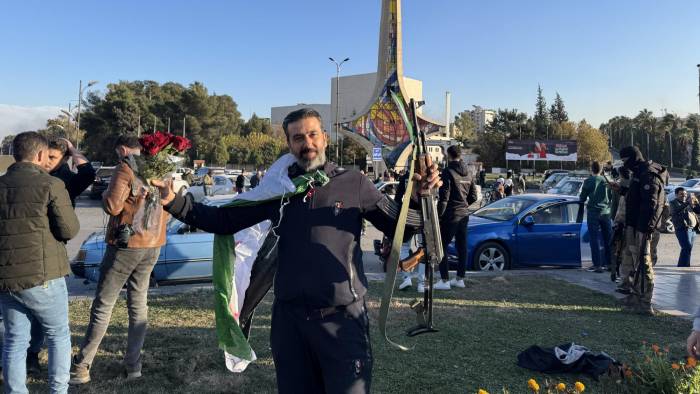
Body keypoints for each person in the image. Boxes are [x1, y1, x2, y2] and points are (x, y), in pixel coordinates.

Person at [152, 108, 440, 393]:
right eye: (298, 137)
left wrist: (417, 198)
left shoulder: (354, 183)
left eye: (313, 134)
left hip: (343, 320)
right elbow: (224, 220)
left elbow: (399, 226)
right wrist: (173, 202)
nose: (308, 143)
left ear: (325, 138)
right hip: (290, 323)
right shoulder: (278, 189)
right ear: (289, 145)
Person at [70, 135, 171, 384]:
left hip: (126, 246)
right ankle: (133, 366)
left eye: (119, 152)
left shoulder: (125, 167)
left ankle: (81, 367)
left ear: (124, 149)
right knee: (138, 305)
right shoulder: (162, 168)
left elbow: (113, 206)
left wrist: (105, 193)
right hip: (153, 244)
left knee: (103, 305)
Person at [0, 131, 80, 393]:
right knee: (58, 335)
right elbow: (69, 229)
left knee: (14, 340)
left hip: (7, 278)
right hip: (43, 276)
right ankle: (58, 390)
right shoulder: (51, 185)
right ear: (40, 155)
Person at [612, 146, 668, 315]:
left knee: (643, 264)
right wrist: (622, 190)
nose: (624, 165)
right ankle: (635, 296)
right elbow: (637, 198)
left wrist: (645, 230)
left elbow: (651, 205)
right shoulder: (639, 172)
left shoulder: (648, 174)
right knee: (632, 262)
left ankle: (645, 302)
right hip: (635, 225)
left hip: (644, 228)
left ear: (633, 158)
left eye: (625, 161)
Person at [434, 145, 479, 290]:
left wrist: (438, 215)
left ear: (449, 155)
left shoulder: (448, 171)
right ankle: (460, 279)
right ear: (461, 155)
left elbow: (444, 198)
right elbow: (474, 196)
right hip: (464, 215)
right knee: (462, 247)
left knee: (441, 247)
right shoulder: (469, 172)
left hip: (451, 215)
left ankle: (445, 280)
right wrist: (464, 205)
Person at [579, 161, 613, 273]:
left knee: (594, 239)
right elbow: (612, 196)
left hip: (593, 212)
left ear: (591, 169)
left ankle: (597, 265)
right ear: (601, 169)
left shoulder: (588, 181)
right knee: (608, 239)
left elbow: (582, 198)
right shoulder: (606, 180)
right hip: (606, 212)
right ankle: (609, 264)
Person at [44, 137, 96, 206]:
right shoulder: (37, 174)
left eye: (52, 157)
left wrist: (72, 148)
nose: (47, 161)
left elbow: (88, 173)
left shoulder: (69, 180)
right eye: (45, 156)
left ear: (65, 159)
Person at [670, 188, 700, 267]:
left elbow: (698, 211)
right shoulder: (673, 203)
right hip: (682, 229)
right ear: (676, 194)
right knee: (686, 248)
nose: (684, 196)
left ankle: (686, 266)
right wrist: (687, 203)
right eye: (681, 194)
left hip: (692, 230)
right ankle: (682, 267)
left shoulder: (688, 203)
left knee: (688, 249)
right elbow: (676, 211)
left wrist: (696, 203)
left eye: (685, 194)